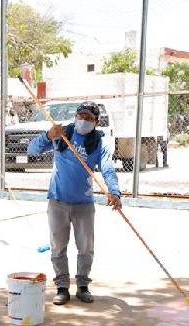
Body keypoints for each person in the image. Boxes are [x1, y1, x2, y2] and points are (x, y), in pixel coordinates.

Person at [27, 100, 121, 305]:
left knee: (86, 248)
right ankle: (62, 287)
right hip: (57, 201)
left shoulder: (99, 144)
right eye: (81, 116)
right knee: (58, 247)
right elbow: (32, 150)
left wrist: (114, 192)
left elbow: (107, 169)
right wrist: (47, 135)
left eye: (89, 118)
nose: (84, 120)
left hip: (84, 204)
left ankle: (83, 286)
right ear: (75, 116)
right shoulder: (62, 134)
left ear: (96, 122)